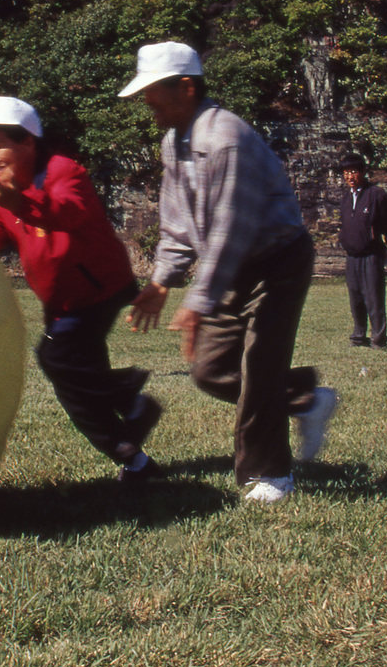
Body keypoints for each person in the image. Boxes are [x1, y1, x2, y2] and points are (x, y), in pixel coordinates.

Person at [119, 41, 339, 504]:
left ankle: (270, 475)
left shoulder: (227, 139)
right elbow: (178, 223)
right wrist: (161, 281)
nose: (147, 101)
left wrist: (197, 301)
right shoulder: (173, 142)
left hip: (276, 261)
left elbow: (229, 229)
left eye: (153, 91)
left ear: (186, 87)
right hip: (230, 268)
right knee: (210, 370)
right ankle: (305, 399)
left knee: (258, 369)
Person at [0, 96, 165, 481]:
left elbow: (65, 213)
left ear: (27, 141)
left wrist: (18, 201)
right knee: (73, 381)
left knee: (57, 359)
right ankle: (133, 456)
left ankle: (129, 398)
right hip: (61, 301)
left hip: (98, 290)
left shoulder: (64, 172)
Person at [337, 152, 387, 349]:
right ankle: (358, 336)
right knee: (355, 298)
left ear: (363, 172)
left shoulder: (377, 195)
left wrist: (383, 246)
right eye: (346, 173)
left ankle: (378, 339)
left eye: (354, 172)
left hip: (371, 255)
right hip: (352, 255)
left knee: (373, 298)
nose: (350, 177)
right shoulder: (345, 198)